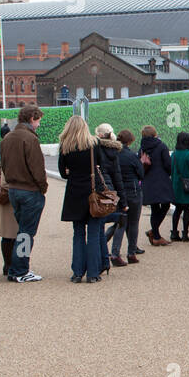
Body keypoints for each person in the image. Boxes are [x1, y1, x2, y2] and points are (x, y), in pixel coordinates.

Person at [0, 105, 48, 282]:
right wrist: (43, 188)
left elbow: (3, 165)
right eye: (39, 120)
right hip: (30, 191)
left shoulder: (7, 138)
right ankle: (20, 270)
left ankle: (16, 268)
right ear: (32, 118)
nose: (39, 124)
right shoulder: (30, 139)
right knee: (26, 234)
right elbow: (37, 169)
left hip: (13, 189)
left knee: (22, 231)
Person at [57, 116, 108, 283]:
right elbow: (101, 165)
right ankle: (93, 273)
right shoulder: (93, 144)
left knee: (78, 233)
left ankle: (77, 272)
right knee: (93, 233)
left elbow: (63, 173)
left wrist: (72, 172)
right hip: (92, 191)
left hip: (74, 192)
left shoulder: (65, 146)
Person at [93, 122, 127, 273]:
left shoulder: (94, 149)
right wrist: (123, 201)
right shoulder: (115, 151)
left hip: (98, 191)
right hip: (111, 192)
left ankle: (103, 260)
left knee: (98, 225)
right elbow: (118, 178)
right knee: (118, 219)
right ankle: (113, 254)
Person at [109, 129, 144, 265]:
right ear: (129, 141)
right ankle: (131, 253)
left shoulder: (112, 154)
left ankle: (115, 253)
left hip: (118, 192)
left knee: (120, 223)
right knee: (133, 223)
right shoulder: (131, 156)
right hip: (133, 192)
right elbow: (141, 174)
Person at [140, 125, 173, 245]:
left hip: (148, 180)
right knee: (165, 205)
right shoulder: (161, 146)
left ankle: (155, 233)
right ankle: (155, 235)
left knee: (155, 208)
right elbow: (168, 164)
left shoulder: (142, 148)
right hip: (161, 180)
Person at [0, 172, 18, 277]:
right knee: (23, 235)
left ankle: (9, 265)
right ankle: (17, 265)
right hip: (11, 199)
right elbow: (4, 183)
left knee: (9, 235)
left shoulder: (6, 156)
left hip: (9, 200)